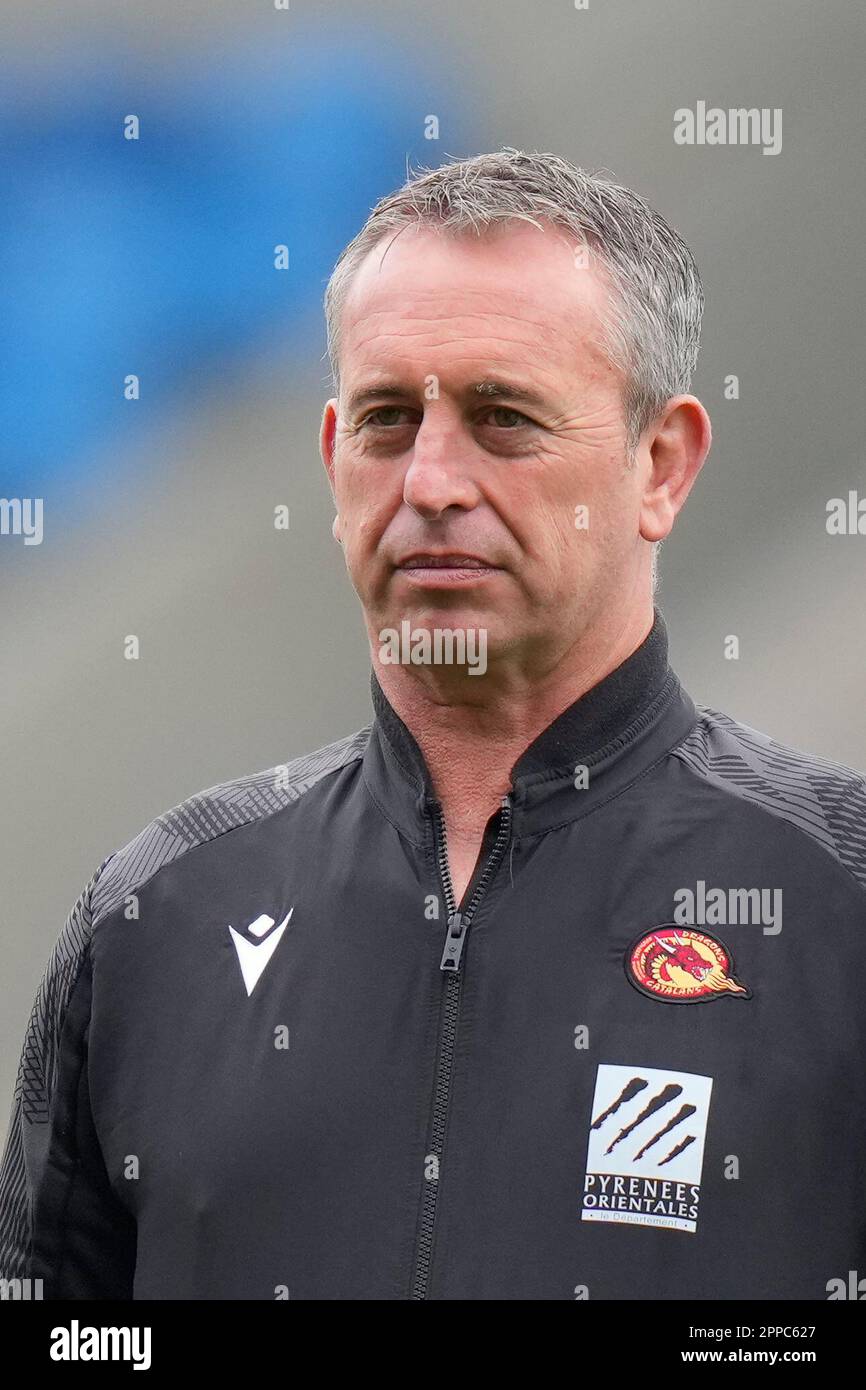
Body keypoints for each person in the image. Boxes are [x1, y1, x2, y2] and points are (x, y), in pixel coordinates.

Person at [2, 148, 865, 1301]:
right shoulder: (153, 913)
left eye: (502, 417)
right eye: (386, 419)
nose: (431, 480)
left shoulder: (831, 896)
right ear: (330, 459)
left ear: (658, 465)